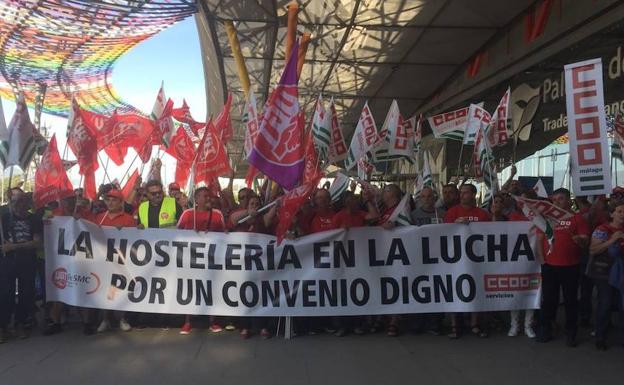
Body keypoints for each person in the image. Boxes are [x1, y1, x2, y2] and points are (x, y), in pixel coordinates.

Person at [537, 188, 589, 347]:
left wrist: (579, 240)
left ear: (568, 201)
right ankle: (546, 329)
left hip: (571, 267)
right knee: (549, 301)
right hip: (550, 267)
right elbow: (540, 240)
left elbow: (586, 241)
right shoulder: (547, 218)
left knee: (571, 301)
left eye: (560, 199)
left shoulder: (577, 218)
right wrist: (542, 262)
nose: (556, 202)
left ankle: (571, 333)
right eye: (554, 199)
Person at [444, 183, 491, 339]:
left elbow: (491, 235)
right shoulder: (452, 212)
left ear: (473, 195)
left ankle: (475, 323)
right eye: (461, 192)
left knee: (476, 289)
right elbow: (443, 234)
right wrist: (455, 225)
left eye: (466, 192)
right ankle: (454, 325)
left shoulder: (483, 214)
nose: (463, 195)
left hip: (476, 258)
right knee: (454, 290)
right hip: (456, 259)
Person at [177, 187, 226, 335]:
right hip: (190, 259)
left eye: (209, 196)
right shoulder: (187, 214)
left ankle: (213, 321)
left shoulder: (217, 215)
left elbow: (224, 234)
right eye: (204, 196)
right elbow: (175, 234)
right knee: (190, 288)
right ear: (196, 199)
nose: (208, 199)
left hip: (211, 259)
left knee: (212, 289)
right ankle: (187, 321)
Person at [230, 195, 277, 339]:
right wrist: (248, 213)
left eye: (257, 204)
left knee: (261, 294)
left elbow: (269, 218)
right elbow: (233, 219)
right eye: (252, 203)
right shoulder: (239, 218)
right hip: (242, 266)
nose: (254, 205)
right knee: (244, 295)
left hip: (259, 266)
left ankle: (263, 326)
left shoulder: (261, 220)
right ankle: (245, 327)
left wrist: (276, 204)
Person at [0, 191, 42, 343]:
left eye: (21, 202)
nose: (18, 206)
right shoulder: (4, 218)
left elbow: (37, 242)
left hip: (27, 261)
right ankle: (3, 326)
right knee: (5, 293)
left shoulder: (34, 219)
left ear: (27, 203)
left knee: (26, 293)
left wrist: (14, 247)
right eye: (14, 202)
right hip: (7, 262)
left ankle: (20, 323)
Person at [92, 189, 136, 333]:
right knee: (106, 290)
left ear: (120, 202)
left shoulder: (128, 219)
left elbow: (136, 238)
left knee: (122, 288)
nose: (110, 203)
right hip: (103, 261)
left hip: (122, 260)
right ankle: (106, 319)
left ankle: (122, 318)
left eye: (114, 200)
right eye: (108, 200)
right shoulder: (99, 217)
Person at [588, 202, 624, 350]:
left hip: (621, 273)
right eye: (620, 211)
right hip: (604, 272)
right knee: (606, 303)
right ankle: (600, 337)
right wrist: (612, 240)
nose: (622, 214)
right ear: (612, 214)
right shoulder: (602, 229)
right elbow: (593, 250)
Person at [409, 186, 445, 335]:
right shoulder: (413, 215)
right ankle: (418, 322)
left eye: (430, 196)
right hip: (418, 259)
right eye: (423, 196)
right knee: (419, 291)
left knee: (438, 291)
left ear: (434, 198)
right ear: (419, 198)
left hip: (439, 260)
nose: (427, 199)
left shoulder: (443, 214)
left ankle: (434, 323)